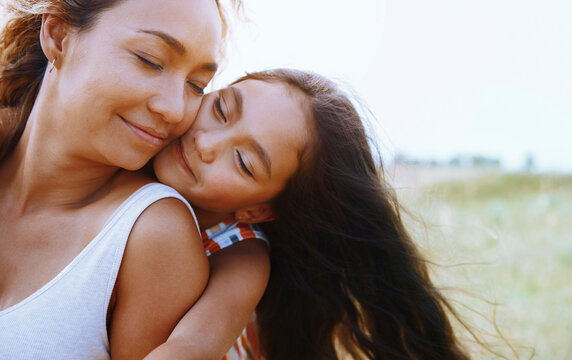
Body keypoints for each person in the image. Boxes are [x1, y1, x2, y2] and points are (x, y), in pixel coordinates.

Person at [145, 68, 472, 359]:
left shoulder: (243, 255)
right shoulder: (134, 152)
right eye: (220, 109)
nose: (205, 143)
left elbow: (192, 347)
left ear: (257, 209)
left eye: (244, 162)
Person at [0, 0, 233, 358]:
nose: (173, 109)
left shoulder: (150, 235)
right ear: (58, 34)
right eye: (150, 60)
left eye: (196, 85)